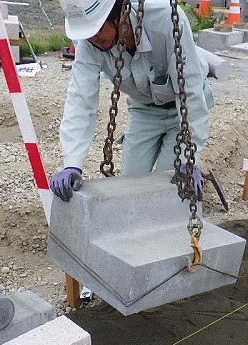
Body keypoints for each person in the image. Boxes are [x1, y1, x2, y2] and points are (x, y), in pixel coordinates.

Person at [50, 0, 213, 201]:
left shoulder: (167, 20)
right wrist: (72, 164)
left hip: (183, 110)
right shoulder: (89, 43)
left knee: (168, 186)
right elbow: (80, 102)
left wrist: (188, 158)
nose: (93, 38)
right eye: (87, 33)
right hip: (144, 109)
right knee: (129, 185)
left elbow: (190, 90)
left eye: (98, 29)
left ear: (121, 15)